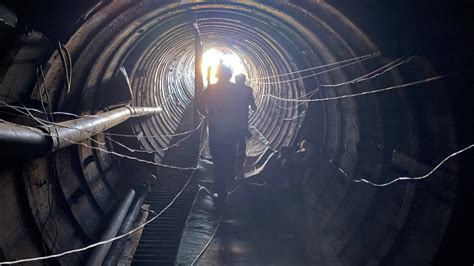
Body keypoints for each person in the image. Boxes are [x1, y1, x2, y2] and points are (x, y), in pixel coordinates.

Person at [197, 64, 245, 210]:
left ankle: (220, 189)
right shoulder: (235, 89)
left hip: (216, 127)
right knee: (230, 155)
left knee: (217, 158)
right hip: (231, 128)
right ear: (230, 75)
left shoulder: (211, 88)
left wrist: (207, 114)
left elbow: (199, 103)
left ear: (218, 75)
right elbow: (243, 108)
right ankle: (230, 184)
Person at [234, 73, 257, 179]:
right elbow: (253, 105)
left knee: (232, 140)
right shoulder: (247, 90)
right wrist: (253, 107)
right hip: (243, 120)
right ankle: (239, 164)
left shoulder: (231, 89)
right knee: (241, 141)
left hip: (230, 120)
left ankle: (233, 162)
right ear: (244, 80)